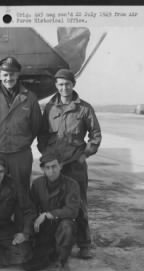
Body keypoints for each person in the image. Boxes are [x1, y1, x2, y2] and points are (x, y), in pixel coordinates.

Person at [37, 68, 102, 259]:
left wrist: (85, 154)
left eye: (67, 84)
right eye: (60, 84)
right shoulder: (49, 108)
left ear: (73, 85)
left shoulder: (84, 108)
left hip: (75, 164)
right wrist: (47, 156)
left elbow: (95, 135)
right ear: (56, 86)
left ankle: (84, 244)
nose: (63, 88)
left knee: (79, 203)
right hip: (54, 166)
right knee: (51, 202)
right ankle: (54, 239)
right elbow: (42, 134)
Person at [0, 56, 42, 203]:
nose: (9, 78)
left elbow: (36, 126)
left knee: (22, 194)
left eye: (12, 74)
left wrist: (22, 142)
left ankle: (22, 225)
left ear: (18, 75)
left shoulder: (30, 98)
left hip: (20, 154)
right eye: (5, 74)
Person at [23, 151, 81, 271]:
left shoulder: (72, 184)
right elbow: (31, 208)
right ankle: (50, 253)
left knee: (67, 226)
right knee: (29, 266)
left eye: (54, 166)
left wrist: (49, 214)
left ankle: (63, 263)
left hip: (62, 225)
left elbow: (72, 211)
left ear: (60, 166)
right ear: (43, 169)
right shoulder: (38, 184)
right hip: (45, 228)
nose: (51, 171)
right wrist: (28, 230)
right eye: (47, 167)